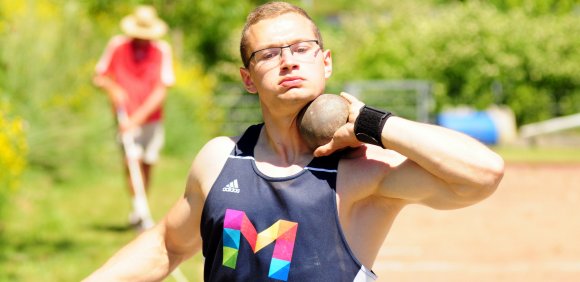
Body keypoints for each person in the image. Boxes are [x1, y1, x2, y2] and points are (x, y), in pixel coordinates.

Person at [84, 2, 504, 281]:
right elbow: (166, 245)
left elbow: (482, 175)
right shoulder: (219, 159)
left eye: (302, 48)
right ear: (248, 78)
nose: (288, 60)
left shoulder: (359, 172)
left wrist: (371, 123)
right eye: (268, 54)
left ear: (326, 62)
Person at [93, 5, 175, 228]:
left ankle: (140, 206)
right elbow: (99, 76)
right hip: (124, 116)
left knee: (147, 163)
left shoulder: (161, 50)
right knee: (131, 161)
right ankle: (140, 210)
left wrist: (137, 119)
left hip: (151, 118)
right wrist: (113, 89)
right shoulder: (117, 46)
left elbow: (161, 89)